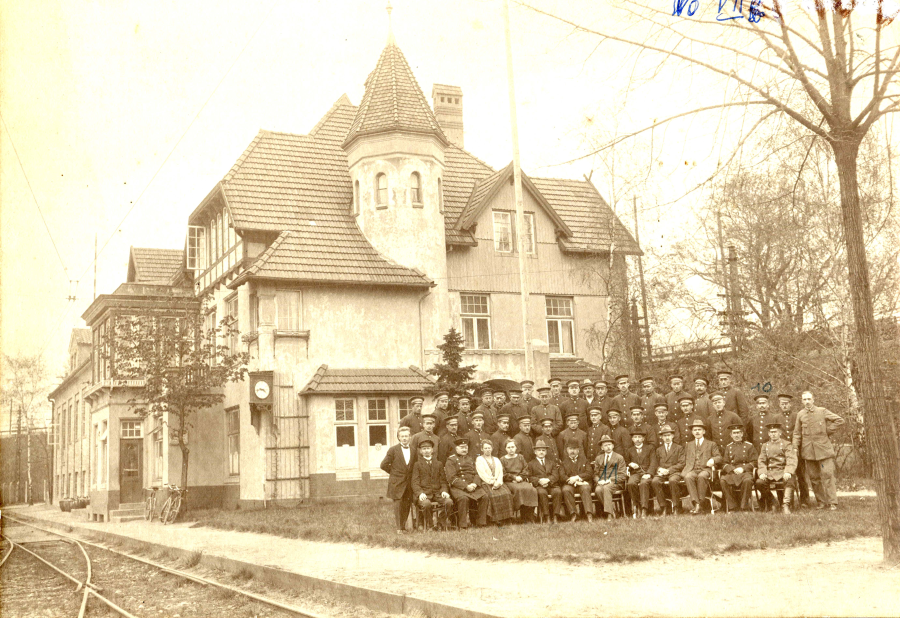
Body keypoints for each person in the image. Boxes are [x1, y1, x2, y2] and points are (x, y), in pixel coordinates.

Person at [792, 391, 844, 510]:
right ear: (801, 401)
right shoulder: (800, 414)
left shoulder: (822, 411)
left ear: (813, 399)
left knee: (827, 475)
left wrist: (827, 431)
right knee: (814, 478)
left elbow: (839, 420)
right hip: (808, 451)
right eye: (804, 399)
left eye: (809, 399)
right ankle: (821, 502)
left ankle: (832, 502)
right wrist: (795, 447)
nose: (807, 402)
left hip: (824, 450)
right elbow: (797, 433)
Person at [445, 438, 489, 529]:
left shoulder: (470, 459)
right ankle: (462, 524)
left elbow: (476, 473)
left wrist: (475, 484)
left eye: (466, 447)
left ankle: (480, 522)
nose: (464, 449)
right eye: (462, 447)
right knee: (463, 498)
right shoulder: (451, 460)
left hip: (472, 485)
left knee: (485, 496)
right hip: (458, 487)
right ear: (456, 449)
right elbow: (451, 478)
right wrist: (466, 486)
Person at [778, 393, 812, 507]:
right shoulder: (776, 418)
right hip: (783, 453)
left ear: (790, 404)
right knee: (785, 476)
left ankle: (804, 501)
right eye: (782, 404)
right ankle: (787, 501)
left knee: (801, 475)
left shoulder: (797, 416)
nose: (785, 406)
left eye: (786, 403)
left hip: (797, 450)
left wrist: (797, 447)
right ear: (779, 405)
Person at [682, 419, 722, 515]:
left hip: (706, 469)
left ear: (703, 431)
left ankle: (699, 504)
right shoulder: (688, 445)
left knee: (702, 476)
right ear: (692, 432)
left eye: (699, 429)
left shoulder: (711, 444)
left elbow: (719, 457)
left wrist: (713, 460)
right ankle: (696, 503)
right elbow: (684, 459)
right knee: (688, 477)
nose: (697, 432)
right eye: (695, 430)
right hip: (692, 469)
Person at [411, 438, 452, 530]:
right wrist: (420, 493)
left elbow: (443, 481)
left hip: (437, 493)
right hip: (424, 494)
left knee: (449, 502)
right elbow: (415, 482)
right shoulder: (417, 465)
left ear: (432, 450)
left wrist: (444, 491)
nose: (426, 451)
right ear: (421, 451)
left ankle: (441, 521)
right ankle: (430, 525)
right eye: (424, 449)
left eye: (428, 448)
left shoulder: (439, 464)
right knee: (426, 504)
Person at [758, 422, 798, 514]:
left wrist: (788, 471)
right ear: (768, 434)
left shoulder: (787, 444)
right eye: (771, 432)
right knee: (759, 482)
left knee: (790, 478)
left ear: (780, 433)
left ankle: (785, 505)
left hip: (783, 470)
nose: (773, 434)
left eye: (775, 432)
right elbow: (761, 460)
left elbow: (791, 459)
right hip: (770, 472)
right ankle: (773, 502)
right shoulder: (765, 445)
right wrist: (762, 472)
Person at [380, 426, 414, 533]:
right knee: (398, 505)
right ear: (398, 438)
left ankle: (403, 527)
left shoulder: (414, 450)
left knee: (406, 504)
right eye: (402, 436)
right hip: (397, 482)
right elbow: (383, 465)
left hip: (408, 483)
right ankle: (399, 528)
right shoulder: (393, 450)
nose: (404, 438)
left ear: (410, 437)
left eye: (406, 436)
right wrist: (394, 473)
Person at [475, 440, 516, 526]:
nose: (487, 450)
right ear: (482, 449)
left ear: (492, 448)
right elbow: (481, 473)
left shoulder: (496, 459)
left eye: (489, 448)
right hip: (486, 482)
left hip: (498, 482)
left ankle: (507, 518)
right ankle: (496, 519)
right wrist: (492, 481)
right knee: (493, 495)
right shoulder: (479, 459)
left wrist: (498, 482)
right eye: (485, 448)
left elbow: (500, 472)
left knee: (507, 493)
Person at [720, 424, 757, 512]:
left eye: (738, 433)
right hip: (733, 472)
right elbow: (724, 463)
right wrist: (732, 469)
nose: (736, 435)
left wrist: (743, 468)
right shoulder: (728, 447)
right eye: (734, 433)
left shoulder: (749, 446)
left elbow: (755, 461)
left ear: (742, 434)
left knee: (747, 481)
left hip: (745, 472)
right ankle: (732, 506)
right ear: (731, 435)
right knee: (723, 481)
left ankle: (744, 507)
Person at [501, 439, 539, 521]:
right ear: (505, 449)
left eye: (513, 447)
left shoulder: (520, 457)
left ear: (516, 448)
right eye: (508, 447)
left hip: (521, 480)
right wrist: (514, 478)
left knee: (531, 489)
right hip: (510, 481)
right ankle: (519, 514)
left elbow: (526, 469)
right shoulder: (502, 459)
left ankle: (529, 516)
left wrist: (521, 477)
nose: (511, 449)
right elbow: (503, 473)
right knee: (518, 489)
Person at [651, 424, 685, 516]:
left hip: (675, 472)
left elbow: (682, 463)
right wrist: (660, 469)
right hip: (662, 473)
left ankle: (676, 507)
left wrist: (669, 470)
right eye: (665, 436)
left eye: (669, 435)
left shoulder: (679, 448)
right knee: (655, 481)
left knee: (673, 481)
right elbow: (655, 464)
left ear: (673, 436)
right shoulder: (658, 450)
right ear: (661, 437)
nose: (667, 438)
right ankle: (664, 507)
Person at [558, 438, 595, 522]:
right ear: (567, 450)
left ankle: (589, 514)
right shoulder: (563, 463)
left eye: (574, 449)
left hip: (583, 483)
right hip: (570, 484)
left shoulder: (585, 460)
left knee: (586, 488)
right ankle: (573, 514)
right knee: (565, 490)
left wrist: (577, 477)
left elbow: (589, 473)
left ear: (578, 450)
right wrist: (572, 480)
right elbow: (562, 476)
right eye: (570, 449)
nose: (572, 451)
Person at [527, 438, 562, 522]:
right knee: (542, 493)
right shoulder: (531, 464)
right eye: (539, 450)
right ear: (535, 452)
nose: (541, 452)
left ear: (546, 452)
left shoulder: (551, 462)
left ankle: (555, 515)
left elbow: (556, 475)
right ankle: (547, 516)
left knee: (557, 492)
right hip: (540, 486)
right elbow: (530, 477)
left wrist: (548, 480)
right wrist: (539, 481)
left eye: (543, 450)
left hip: (552, 485)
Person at [626, 428, 658, 518]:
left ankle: (644, 509)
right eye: (635, 437)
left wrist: (649, 473)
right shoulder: (629, 450)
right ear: (632, 439)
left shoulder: (650, 448)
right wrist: (630, 465)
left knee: (644, 483)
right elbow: (626, 462)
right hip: (635, 473)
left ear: (643, 439)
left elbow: (653, 462)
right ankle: (637, 506)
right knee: (631, 483)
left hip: (647, 472)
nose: (637, 439)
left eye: (639, 437)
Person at [593, 434, 626, 519]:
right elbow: (595, 474)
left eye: (609, 445)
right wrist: (598, 481)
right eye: (605, 445)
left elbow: (622, 475)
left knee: (606, 488)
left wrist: (609, 480)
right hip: (602, 482)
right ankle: (613, 510)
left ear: (613, 446)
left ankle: (609, 515)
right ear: (602, 448)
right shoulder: (598, 458)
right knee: (598, 490)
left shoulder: (619, 457)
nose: (608, 447)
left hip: (615, 482)